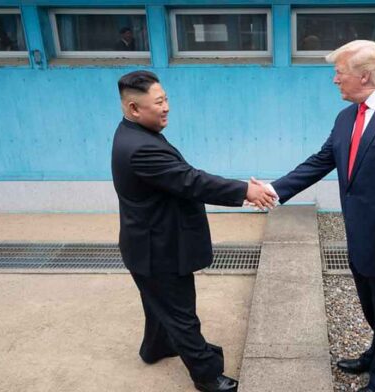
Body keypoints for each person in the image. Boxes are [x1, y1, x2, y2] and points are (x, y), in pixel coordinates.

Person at [257, 40, 375, 392]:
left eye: (338, 73)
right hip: (361, 238)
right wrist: (275, 190)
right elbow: (320, 160)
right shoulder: (347, 117)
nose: (334, 80)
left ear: (365, 75)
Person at [111, 70, 276, 392]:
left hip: (147, 243)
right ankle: (207, 375)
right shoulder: (140, 147)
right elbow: (191, 180)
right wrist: (246, 191)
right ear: (134, 109)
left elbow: (183, 177)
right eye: (158, 102)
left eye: (166, 99)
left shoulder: (133, 133)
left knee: (158, 303)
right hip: (157, 249)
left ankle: (155, 347)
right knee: (181, 313)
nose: (166, 107)